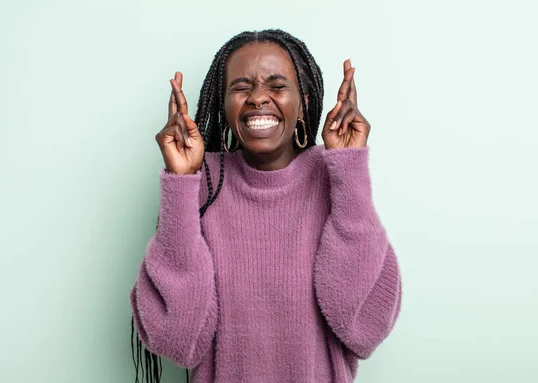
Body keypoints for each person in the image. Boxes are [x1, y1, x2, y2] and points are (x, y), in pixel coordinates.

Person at [129, 29, 401, 383]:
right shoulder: (201, 181)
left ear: (302, 102)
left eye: (276, 85)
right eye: (241, 87)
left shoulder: (334, 173)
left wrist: (349, 166)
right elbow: (177, 339)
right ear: (223, 107)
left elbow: (364, 326)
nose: (258, 97)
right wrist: (181, 183)